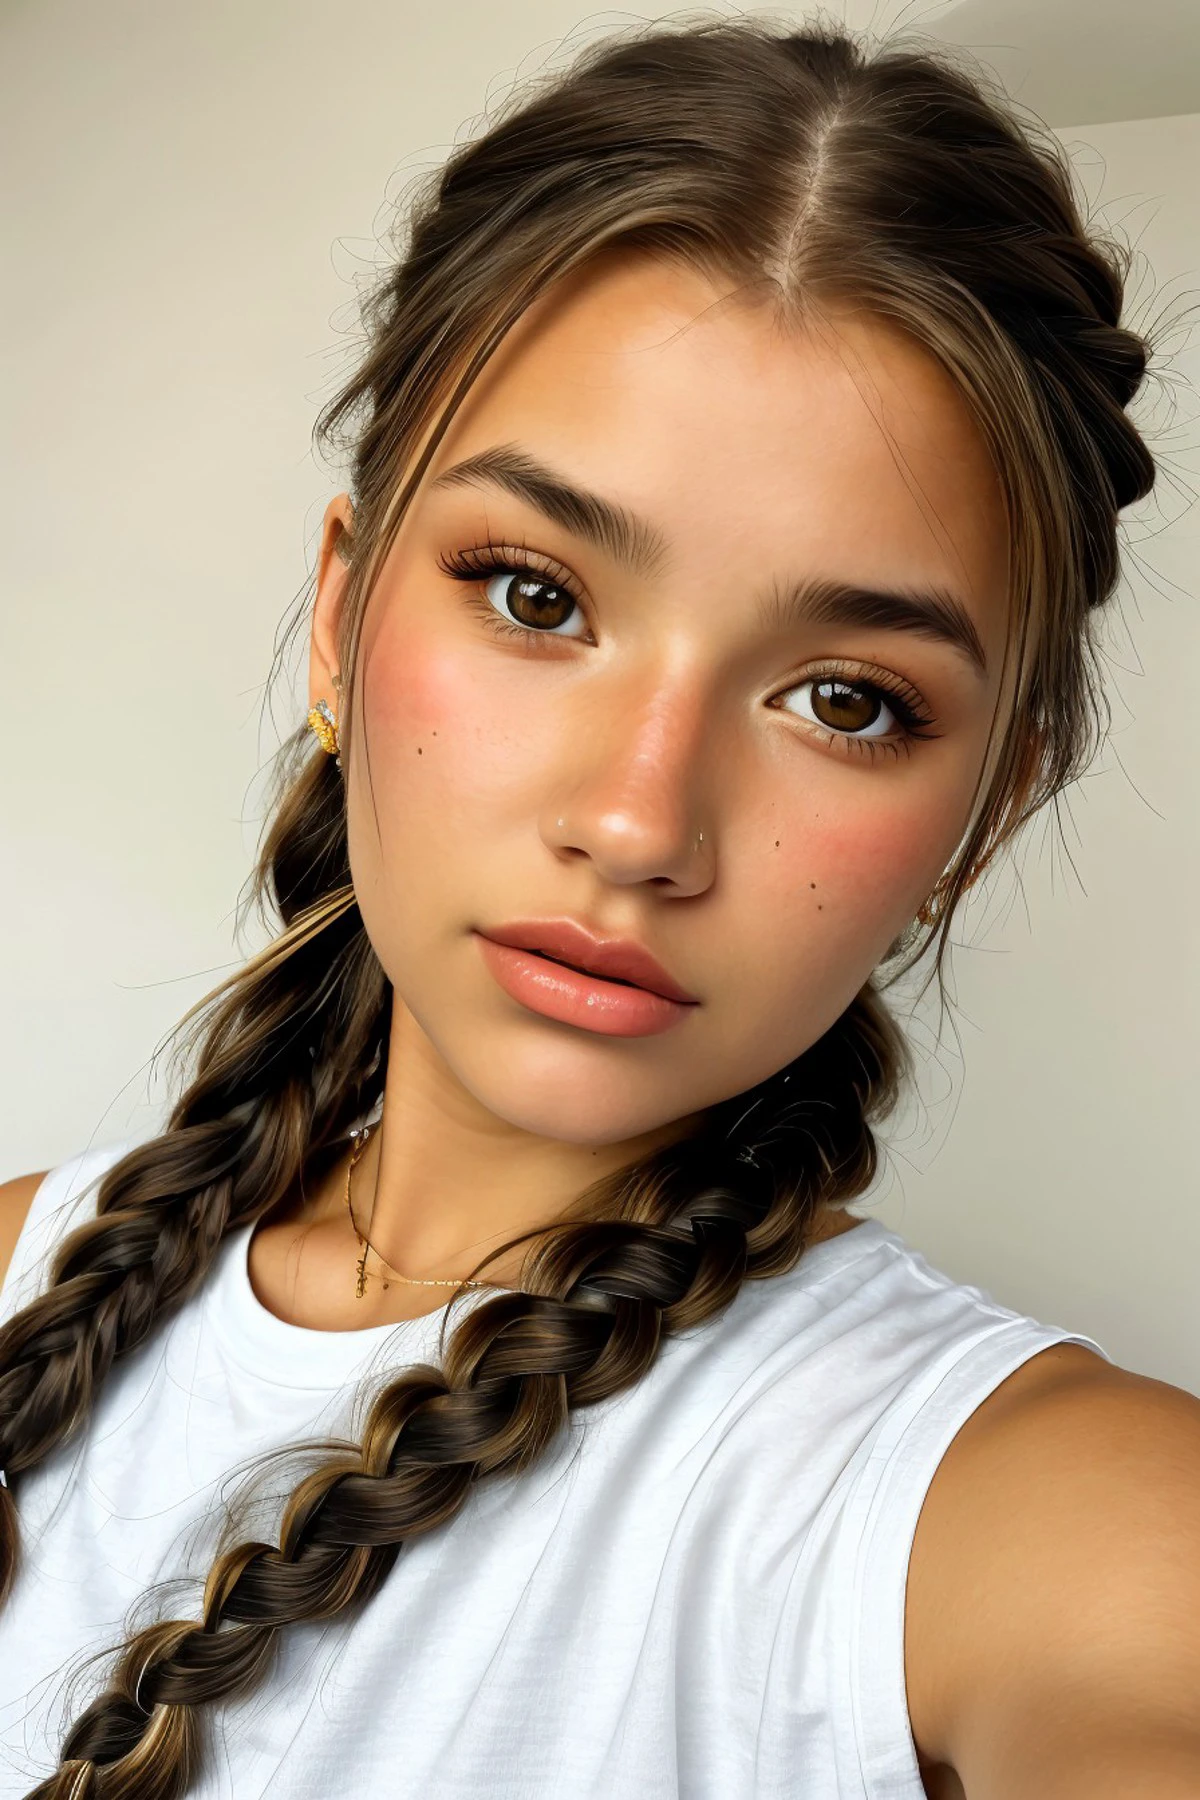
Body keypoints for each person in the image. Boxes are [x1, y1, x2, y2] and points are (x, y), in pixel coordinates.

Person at [1, 14, 1197, 1799]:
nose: (641, 821)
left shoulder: (1033, 1511)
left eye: (846, 698)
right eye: (536, 594)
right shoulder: (21, 1266)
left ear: (988, 805)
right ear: (342, 618)